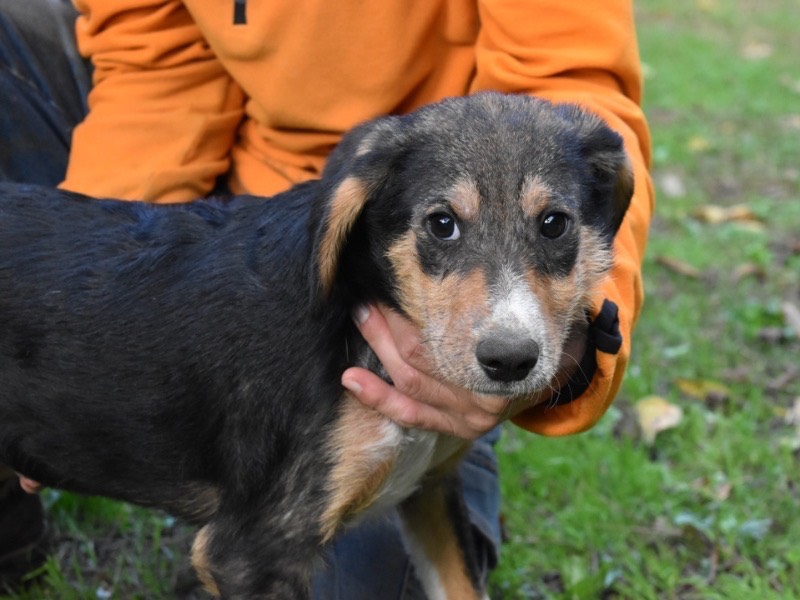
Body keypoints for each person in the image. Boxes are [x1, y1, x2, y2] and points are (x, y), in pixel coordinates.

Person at [0, 0, 653, 597]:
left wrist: (584, 342)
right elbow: (158, 66)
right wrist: (61, 323)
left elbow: (576, 82)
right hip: (283, 217)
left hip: (429, 170)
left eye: (554, 226)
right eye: (444, 227)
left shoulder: (554, 185)